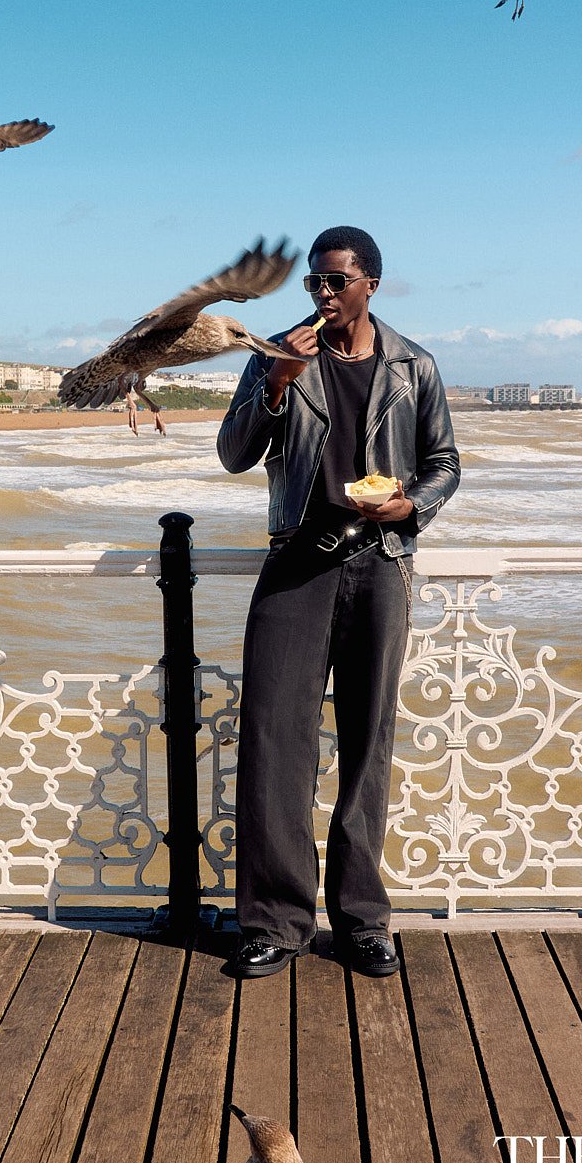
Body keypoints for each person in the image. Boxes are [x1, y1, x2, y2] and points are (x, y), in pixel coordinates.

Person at [217, 225, 460, 978]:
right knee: (271, 740)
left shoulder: (413, 365)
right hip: (296, 563)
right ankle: (274, 921)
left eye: (335, 281)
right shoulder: (281, 353)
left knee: (368, 743)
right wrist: (278, 380)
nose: (321, 294)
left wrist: (410, 506)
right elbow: (233, 452)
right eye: (314, 282)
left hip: (379, 564)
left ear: (370, 286)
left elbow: (445, 462)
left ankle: (361, 918)